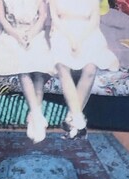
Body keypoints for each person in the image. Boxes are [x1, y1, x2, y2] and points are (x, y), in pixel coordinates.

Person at [48, 0, 119, 138]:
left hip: (88, 34)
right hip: (62, 33)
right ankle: (79, 120)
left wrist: (79, 40)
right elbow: (55, 18)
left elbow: (94, 22)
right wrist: (71, 40)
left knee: (91, 68)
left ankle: (72, 118)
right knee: (62, 67)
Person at [0, 0, 52, 143]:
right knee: (23, 68)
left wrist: (30, 35)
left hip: (35, 34)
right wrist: (18, 36)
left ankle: (33, 115)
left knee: (39, 71)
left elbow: (42, 16)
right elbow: (1, 18)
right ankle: (38, 116)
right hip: (11, 35)